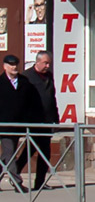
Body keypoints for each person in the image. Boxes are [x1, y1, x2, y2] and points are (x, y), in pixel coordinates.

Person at [0, 54, 43, 193]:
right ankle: (17, 183)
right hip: (4, 125)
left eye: (15, 65)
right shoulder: (1, 83)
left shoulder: (24, 82)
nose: (14, 67)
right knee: (10, 153)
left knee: (7, 155)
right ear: (4, 67)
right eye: (11, 65)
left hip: (19, 124)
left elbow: (32, 102)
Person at [23, 51, 58, 191]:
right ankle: (13, 176)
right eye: (45, 63)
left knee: (45, 152)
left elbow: (52, 98)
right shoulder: (27, 76)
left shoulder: (48, 76)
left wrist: (55, 118)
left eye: (49, 63)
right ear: (37, 62)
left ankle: (40, 182)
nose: (47, 66)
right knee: (28, 151)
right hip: (33, 120)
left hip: (46, 121)